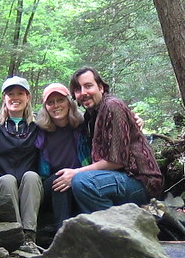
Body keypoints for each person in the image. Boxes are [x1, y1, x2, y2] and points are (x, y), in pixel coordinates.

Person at [52, 66, 163, 213]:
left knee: (83, 182)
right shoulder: (91, 116)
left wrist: (76, 172)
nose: (83, 93)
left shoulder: (112, 106)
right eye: (78, 89)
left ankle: (115, 231)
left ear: (101, 88)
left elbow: (116, 161)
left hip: (141, 181)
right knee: (69, 183)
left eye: (88, 86)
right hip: (116, 178)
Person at [0, 76, 42, 242]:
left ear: (28, 97)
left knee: (32, 176)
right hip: (1, 184)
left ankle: (29, 236)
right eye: (10, 93)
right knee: (8, 180)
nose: (15, 97)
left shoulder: (38, 125)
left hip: (29, 188)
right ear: (4, 98)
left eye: (20, 93)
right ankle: (14, 235)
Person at [34, 82, 88, 229]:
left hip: (80, 178)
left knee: (68, 180)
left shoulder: (83, 126)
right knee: (60, 179)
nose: (56, 105)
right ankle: (62, 233)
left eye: (60, 100)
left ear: (69, 102)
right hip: (49, 185)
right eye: (50, 102)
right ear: (45, 107)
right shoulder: (39, 131)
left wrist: (134, 119)